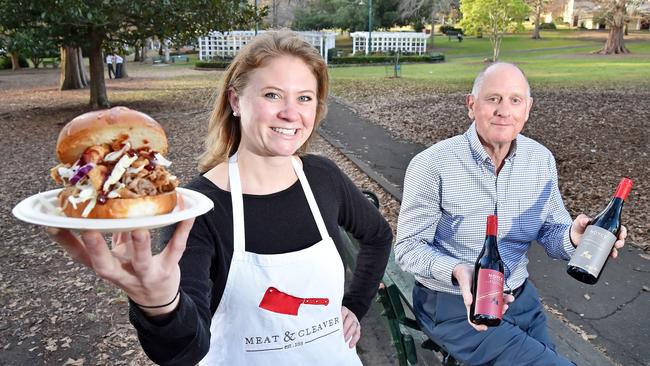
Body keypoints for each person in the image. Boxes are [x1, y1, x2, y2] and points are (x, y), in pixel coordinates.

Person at [47, 31, 393, 365]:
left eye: (304, 97)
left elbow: (378, 236)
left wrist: (357, 304)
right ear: (235, 101)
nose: (291, 113)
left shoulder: (323, 177)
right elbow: (185, 351)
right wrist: (160, 306)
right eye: (272, 95)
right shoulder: (200, 207)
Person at [394, 62, 627, 365]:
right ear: (471, 104)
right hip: (452, 305)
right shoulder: (432, 165)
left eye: (515, 100)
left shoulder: (540, 160)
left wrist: (574, 236)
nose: (504, 110)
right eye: (493, 99)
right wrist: (459, 271)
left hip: (521, 299)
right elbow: (408, 249)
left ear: (527, 108)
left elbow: (552, 231)